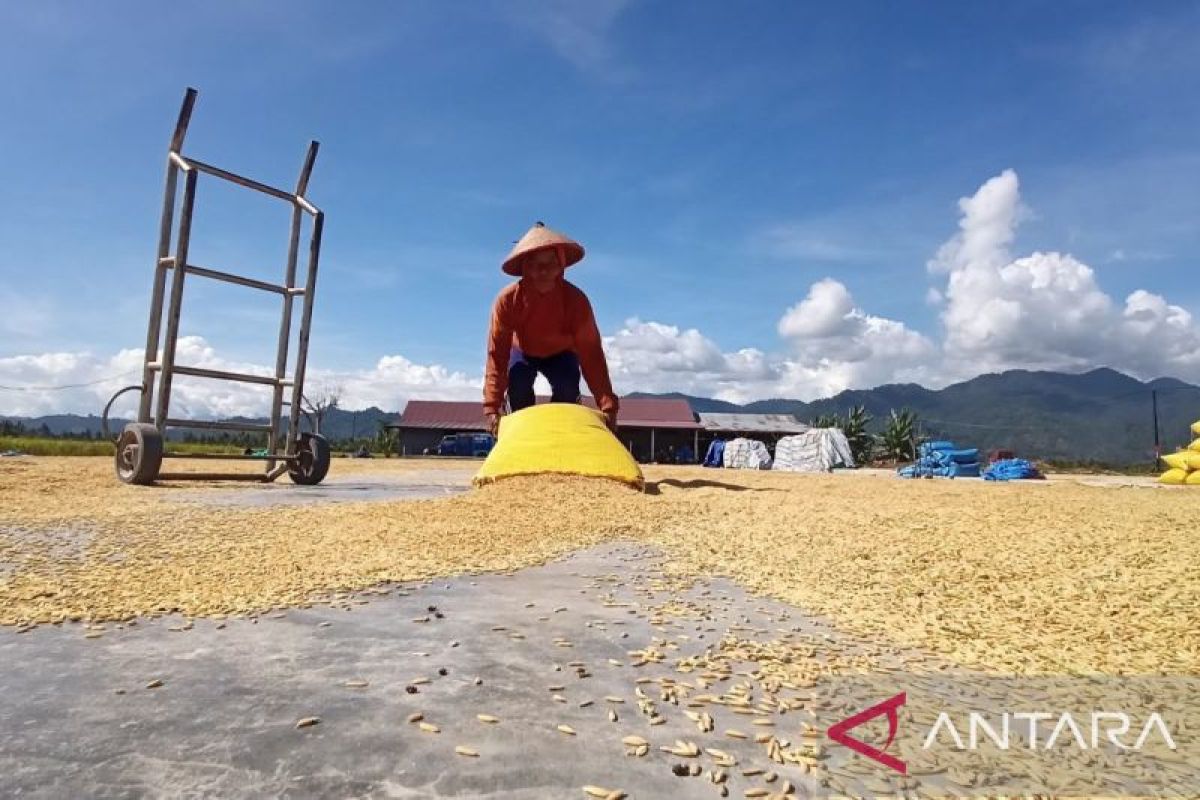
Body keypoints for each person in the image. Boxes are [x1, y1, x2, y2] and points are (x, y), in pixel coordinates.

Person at [483, 222, 619, 437]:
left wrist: (607, 404)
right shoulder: (507, 301)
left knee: (567, 384)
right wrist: (492, 407)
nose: (544, 270)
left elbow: (591, 355)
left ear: (562, 265)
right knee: (518, 383)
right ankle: (522, 438)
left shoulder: (576, 301)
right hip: (523, 352)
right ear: (524, 267)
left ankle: (560, 436)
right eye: (535, 264)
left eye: (551, 263)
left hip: (562, 353)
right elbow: (497, 355)